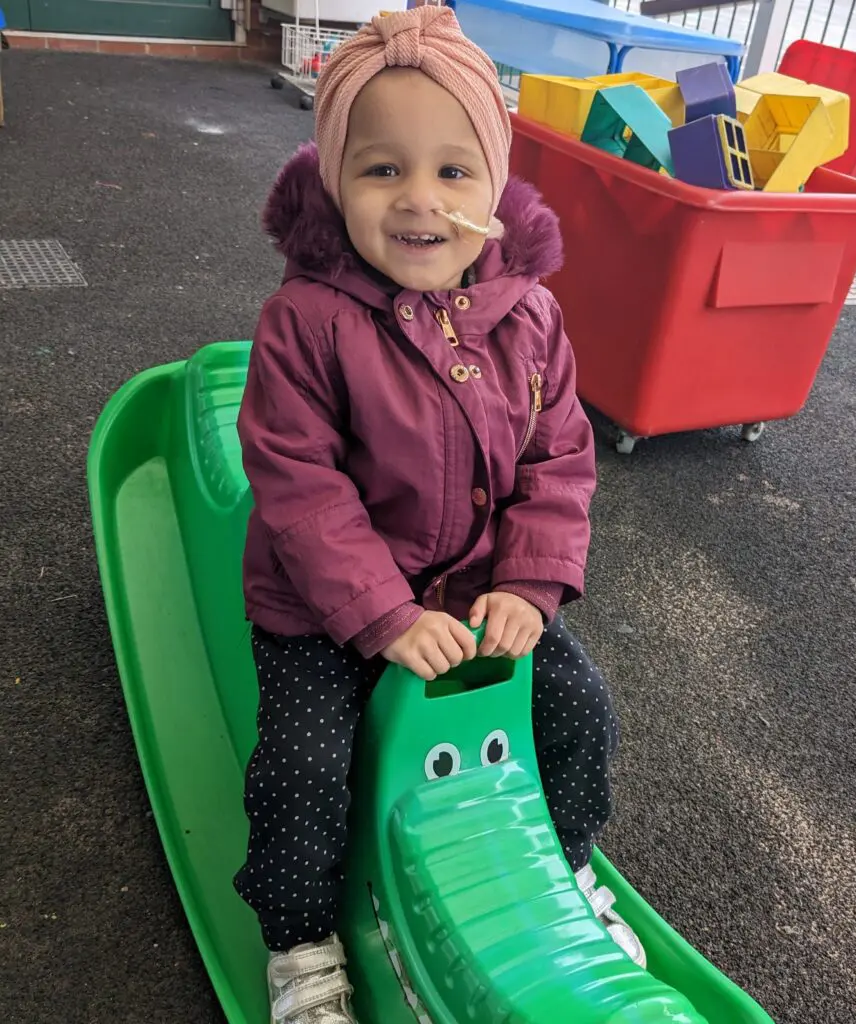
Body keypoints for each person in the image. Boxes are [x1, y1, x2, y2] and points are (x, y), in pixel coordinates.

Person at [235, 7, 642, 1022]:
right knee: (302, 764)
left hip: (474, 593)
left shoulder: (532, 317)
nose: (419, 200)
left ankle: (561, 862)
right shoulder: (306, 321)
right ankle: (296, 938)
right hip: (328, 608)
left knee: (579, 709)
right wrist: (377, 612)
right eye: (381, 170)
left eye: (454, 172)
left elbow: (557, 460)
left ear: (494, 189)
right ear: (334, 180)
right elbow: (301, 487)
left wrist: (530, 583)